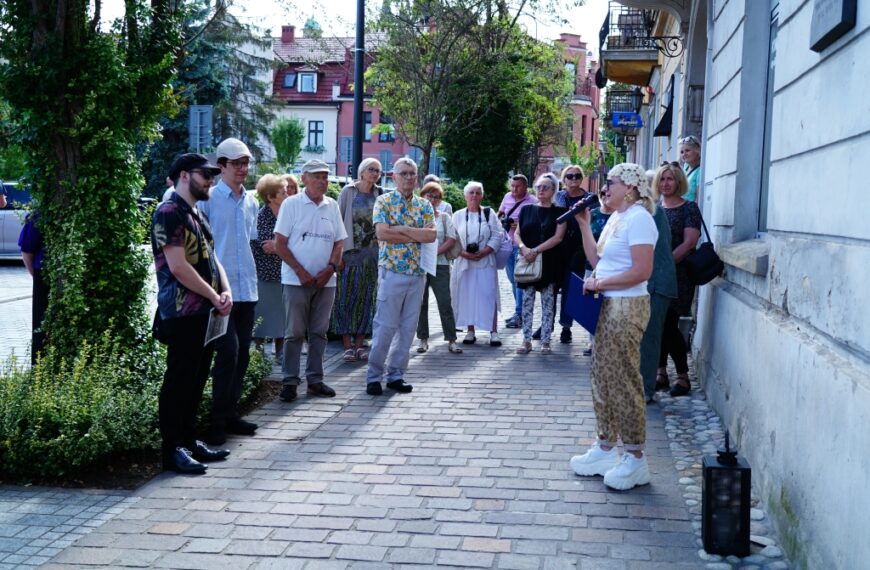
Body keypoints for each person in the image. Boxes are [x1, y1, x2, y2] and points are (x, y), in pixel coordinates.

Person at [569, 162, 658, 491]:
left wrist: (599, 283)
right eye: (605, 183)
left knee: (623, 377)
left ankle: (635, 457)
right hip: (607, 303)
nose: (604, 189)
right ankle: (606, 447)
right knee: (602, 375)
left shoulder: (640, 219)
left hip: (628, 305)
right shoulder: (617, 219)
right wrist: (584, 225)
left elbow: (642, 271)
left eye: (611, 183)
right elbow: (598, 261)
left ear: (631, 188)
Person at [151, 153, 233, 475]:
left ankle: (188, 440)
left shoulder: (195, 213)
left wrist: (225, 292)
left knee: (196, 380)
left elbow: (213, 259)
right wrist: (214, 295)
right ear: (184, 176)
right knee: (178, 382)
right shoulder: (168, 212)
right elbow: (178, 267)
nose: (211, 179)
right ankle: (172, 450)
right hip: (182, 314)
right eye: (205, 174)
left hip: (205, 313)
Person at [198, 137, 260, 445]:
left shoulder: (251, 200)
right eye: (237, 164)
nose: (243, 169)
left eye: (246, 163)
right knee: (227, 355)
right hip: (220, 293)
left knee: (242, 356)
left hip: (246, 289)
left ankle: (231, 414)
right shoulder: (207, 199)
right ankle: (216, 422)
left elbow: (250, 242)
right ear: (220, 166)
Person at [273, 160, 346, 402]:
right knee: (294, 332)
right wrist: (300, 271)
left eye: (325, 176)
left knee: (319, 332)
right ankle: (290, 382)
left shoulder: (332, 205)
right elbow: (279, 244)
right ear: (304, 178)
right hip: (296, 281)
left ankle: (315, 380)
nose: (323, 181)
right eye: (317, 176)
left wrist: (330, 268)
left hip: (326, 281)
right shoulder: (291, 205)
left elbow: (339, 242)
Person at [365, 157, 436, 395]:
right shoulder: (383, 202)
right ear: (393, 177)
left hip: (417, 274)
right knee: (385, 327)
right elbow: (383, 233)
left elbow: (431, 236)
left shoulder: (424, 206)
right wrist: (413, 233)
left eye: (412, 174)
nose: (408, 178)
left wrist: (402, 230)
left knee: (407, 329)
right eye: (404, 173)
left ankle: (396, 375)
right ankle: (374, 376)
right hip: (392, 272)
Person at [655, 163, 701, 397]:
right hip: (654, 275)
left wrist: (664, 265)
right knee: (657, 324)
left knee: (668, 324)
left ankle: (683, 377)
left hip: (678, 275)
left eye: (670, 179)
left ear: (679, 181)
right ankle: (661, 373)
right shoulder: (653, 208)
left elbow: (689, 243)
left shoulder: (689, 208)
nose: (665, 183)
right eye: (662, 179)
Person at [332, 157, 383, 363]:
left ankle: (360, 344)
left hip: (372, 254)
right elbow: (337, 224)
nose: (375, 173)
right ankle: (347, 345)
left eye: (378, 170)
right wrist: (337, 255)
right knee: (346, 298)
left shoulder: (380, 194)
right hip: (350, 253)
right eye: (371, 169)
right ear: (361, 172)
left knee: (367, 299)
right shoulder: (348, 192)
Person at [513, 173, 567, 354]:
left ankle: (545, 340)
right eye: (538, 187)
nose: (541, 190)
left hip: (549, 263)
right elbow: (517, 234)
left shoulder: (560, 212)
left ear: (554, 190)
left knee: (548, 302)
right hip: (528, 261)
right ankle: (526, 340)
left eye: (545, 187)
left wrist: (536, 250)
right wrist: (523, 248)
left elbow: (558, 238)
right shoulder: (526, 209)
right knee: (527, 302)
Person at [639, 167, 678, 401]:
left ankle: (645, 389)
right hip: (650, 282)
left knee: (650, 338)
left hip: (656, 283)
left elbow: (654, 254)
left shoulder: (652, 212)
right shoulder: (646, 211)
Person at [451, 181, 504, 347]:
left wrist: (486, 251)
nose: (474, 196)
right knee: (466, 295)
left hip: (485, 260)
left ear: (482, 195)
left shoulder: (489, 213)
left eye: (478, 193)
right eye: (471, 192)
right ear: (465, 195)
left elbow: (498, 235)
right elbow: (452, 239)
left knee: (489, 294)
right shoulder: (458, 215)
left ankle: (493, 331)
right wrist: (464, 253)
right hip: (464, 262)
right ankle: (470, 331)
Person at [250, 173, 294, 364]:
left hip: (286, 272)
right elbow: (265, 246)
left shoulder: (288, 214)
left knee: (283, 315)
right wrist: (282, 246)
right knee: (263, 313)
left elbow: (291, 242)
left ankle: (280, 353)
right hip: (264, 274)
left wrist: (280, 246)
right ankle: (259, 353)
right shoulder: (262, 215)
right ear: (270, 197)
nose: (288, 195)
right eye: (283, 192)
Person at [415, 182, 462, 354]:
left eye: (436, 196)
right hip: (419, 265)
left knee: (444, 302)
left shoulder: (443, 217)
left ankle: (451, 340)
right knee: (421, 303)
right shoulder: (416, 216)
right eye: (429, 195)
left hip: (440, 264)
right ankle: (423, 340)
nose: (432, 199)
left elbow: (451, 239)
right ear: (422, 196)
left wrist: (434, 253)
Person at [552, 164, 591, 344]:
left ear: (581, 178)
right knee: (550, 287)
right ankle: (547, 323)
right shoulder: (559, 196)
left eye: (577, 176)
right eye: (569, 176)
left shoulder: (588, 199)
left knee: (570, 288)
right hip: (558, 246)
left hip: (579, 248)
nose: (573, 179)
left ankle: (566, 327)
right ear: (564, 179)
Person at [498, 174, 538, 329]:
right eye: (512, 186)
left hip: (522, 246)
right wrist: (503, 221)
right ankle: (518, 313)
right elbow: (500, 213)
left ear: (526, 187)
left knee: (520, 280)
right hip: (507, 244)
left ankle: (520, 314)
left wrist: (520, 225)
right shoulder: (507, 197)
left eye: (518, 186)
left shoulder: (533, 201)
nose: (514, 189)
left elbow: (536, 223)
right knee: (512, 280)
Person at [18, 213, 47, 363]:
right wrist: (36, 277)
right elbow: (27, 250)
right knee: (41, 326)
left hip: (44, 272)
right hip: (44, 274)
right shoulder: (39, 215)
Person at [679, 135, 702, 202]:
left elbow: (698, 199)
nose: (684, 154)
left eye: (687, 150)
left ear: (697, 151)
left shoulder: (700, 171)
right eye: (682, 152)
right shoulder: (685, 167)